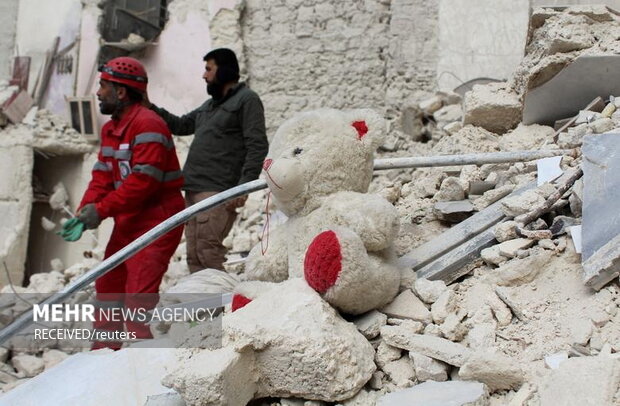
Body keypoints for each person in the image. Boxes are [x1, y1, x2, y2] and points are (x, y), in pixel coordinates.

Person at [72, 57, 185, 349]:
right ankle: (103, 356)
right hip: (130, 220)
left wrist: (101, 210)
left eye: (103, 86)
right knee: (108, 284)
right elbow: (102, 176)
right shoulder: (112, 129)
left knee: (137, 299)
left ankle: (138, 366)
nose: (98, 93)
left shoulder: (149, 125)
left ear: (121, 92)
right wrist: (85, 211)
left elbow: (142, 183)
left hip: (158, 221)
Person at [146, 48, 268, 272]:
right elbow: (181, 125)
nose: (204, 76)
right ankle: (206, 307)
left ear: (224, 71)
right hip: (193, 190)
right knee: (194, 255)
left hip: (217, 192)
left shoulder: (246, 100)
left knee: (207, 251)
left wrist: (242, 189)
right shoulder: (209, 106)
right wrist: (149, 107)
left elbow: (257, 145)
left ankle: (228, 306)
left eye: (209, 69)